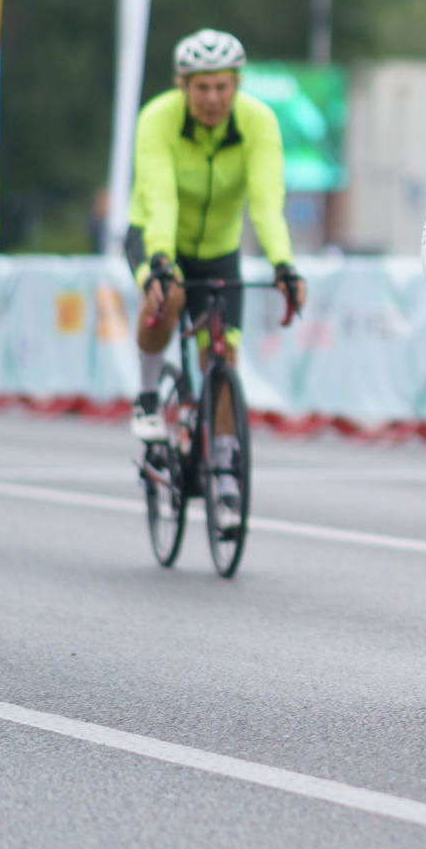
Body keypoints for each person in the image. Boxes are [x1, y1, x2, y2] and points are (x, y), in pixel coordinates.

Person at [126, 29, 306, 518]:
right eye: (201, 87)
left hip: (220, 251)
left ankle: (224, 463)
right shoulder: (157, 118)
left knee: (222, 358)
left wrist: (284, 265)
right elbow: (160, 197)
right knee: (171, 297)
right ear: (182, 86)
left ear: (237, 84)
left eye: (222, 87)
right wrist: (161, 259)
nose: (212, 98)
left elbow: (267, 205)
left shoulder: (257, 121)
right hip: (156, 237)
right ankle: (146, 396)